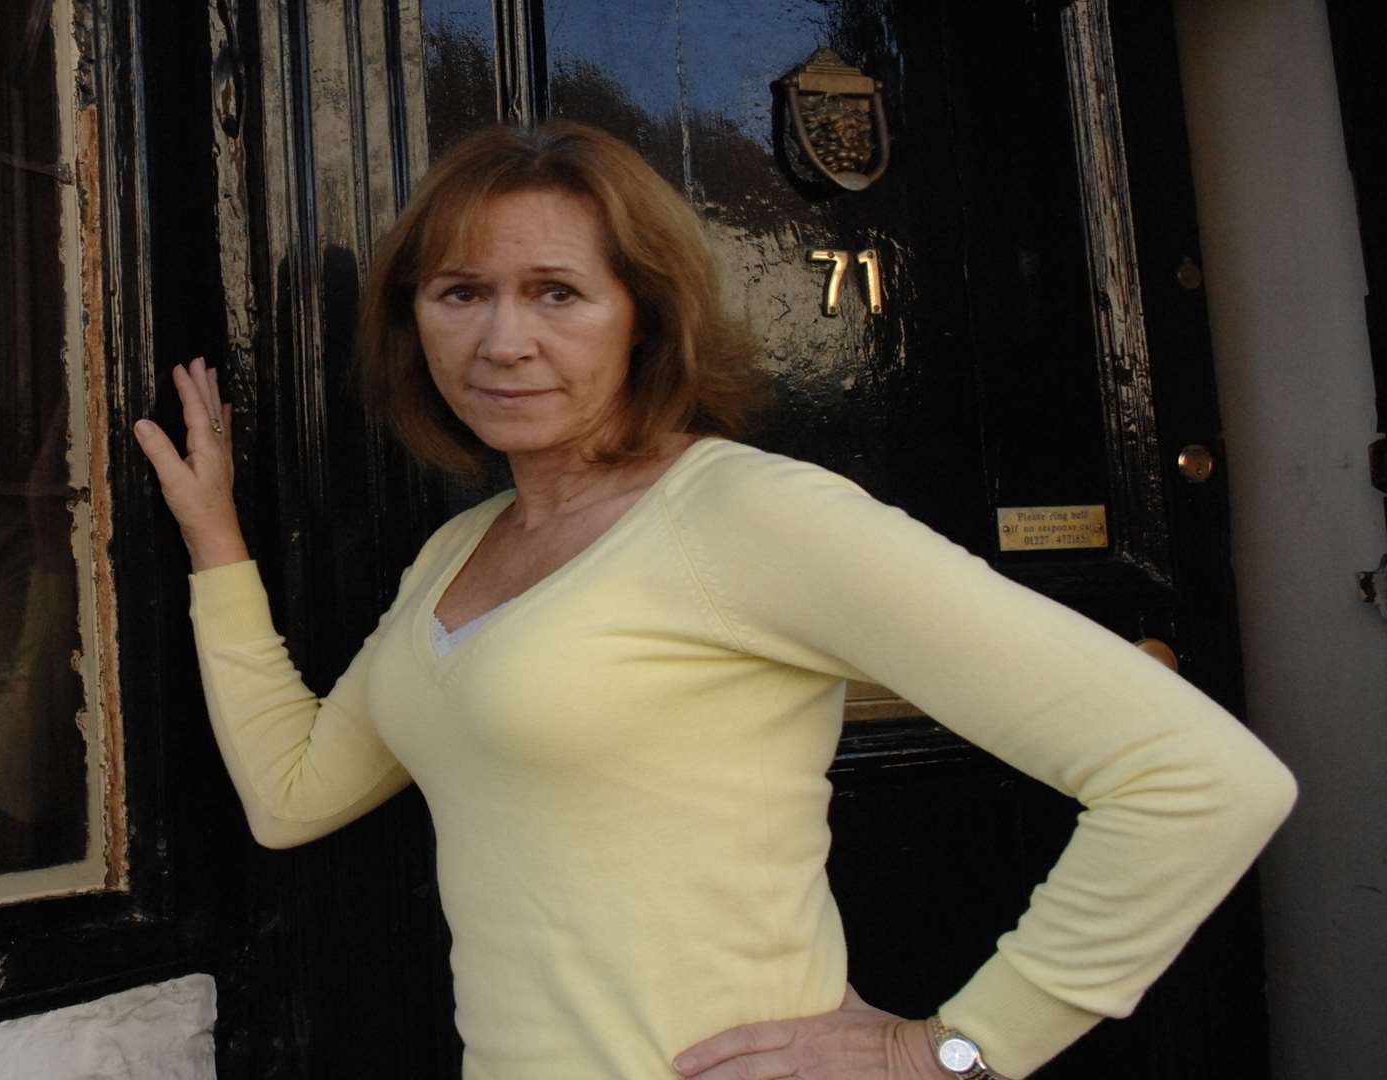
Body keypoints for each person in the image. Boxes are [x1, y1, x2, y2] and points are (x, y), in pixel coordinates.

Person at [131, 121, 1296, 1079]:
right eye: (459, 292)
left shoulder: (747, 517)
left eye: (557, 294)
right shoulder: (457, 551)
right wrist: (218, 543)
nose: (502, 341)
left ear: (645, 315)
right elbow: (291, 798)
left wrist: (952, 1050)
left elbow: (1201, 779)